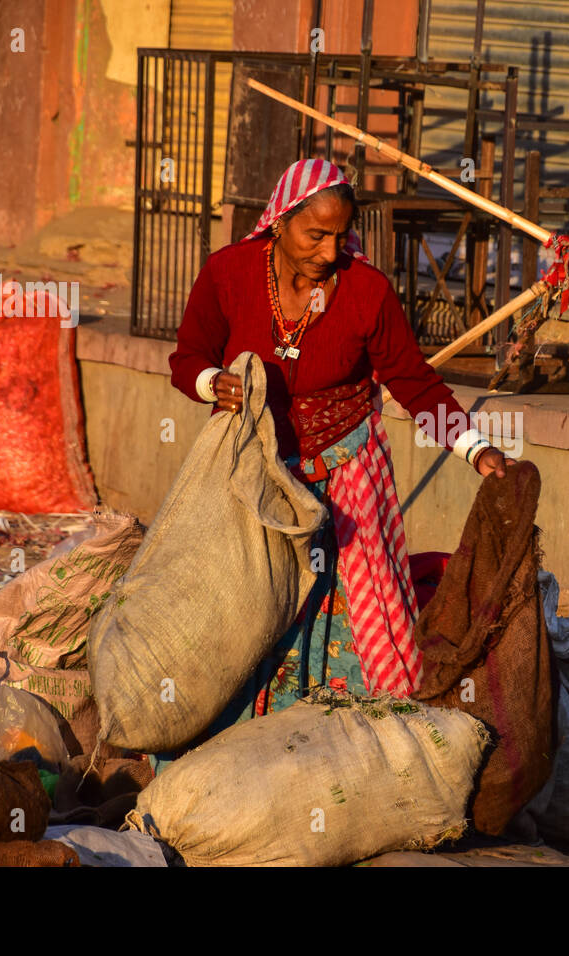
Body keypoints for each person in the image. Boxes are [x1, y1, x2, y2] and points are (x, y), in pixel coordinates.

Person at [164, 158, 512, 755]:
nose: (329, 251)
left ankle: (370, 755)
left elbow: (413, 382)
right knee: (242, 609)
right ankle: (233, 749)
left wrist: (474, 448)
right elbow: (186, 357)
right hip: (256, 473)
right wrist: (210, 382)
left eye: (339, 235)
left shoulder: (366, 291)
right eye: (314, 235)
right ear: (278, 221)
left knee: (375, 626)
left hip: (350, 471)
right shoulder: (228, 274)